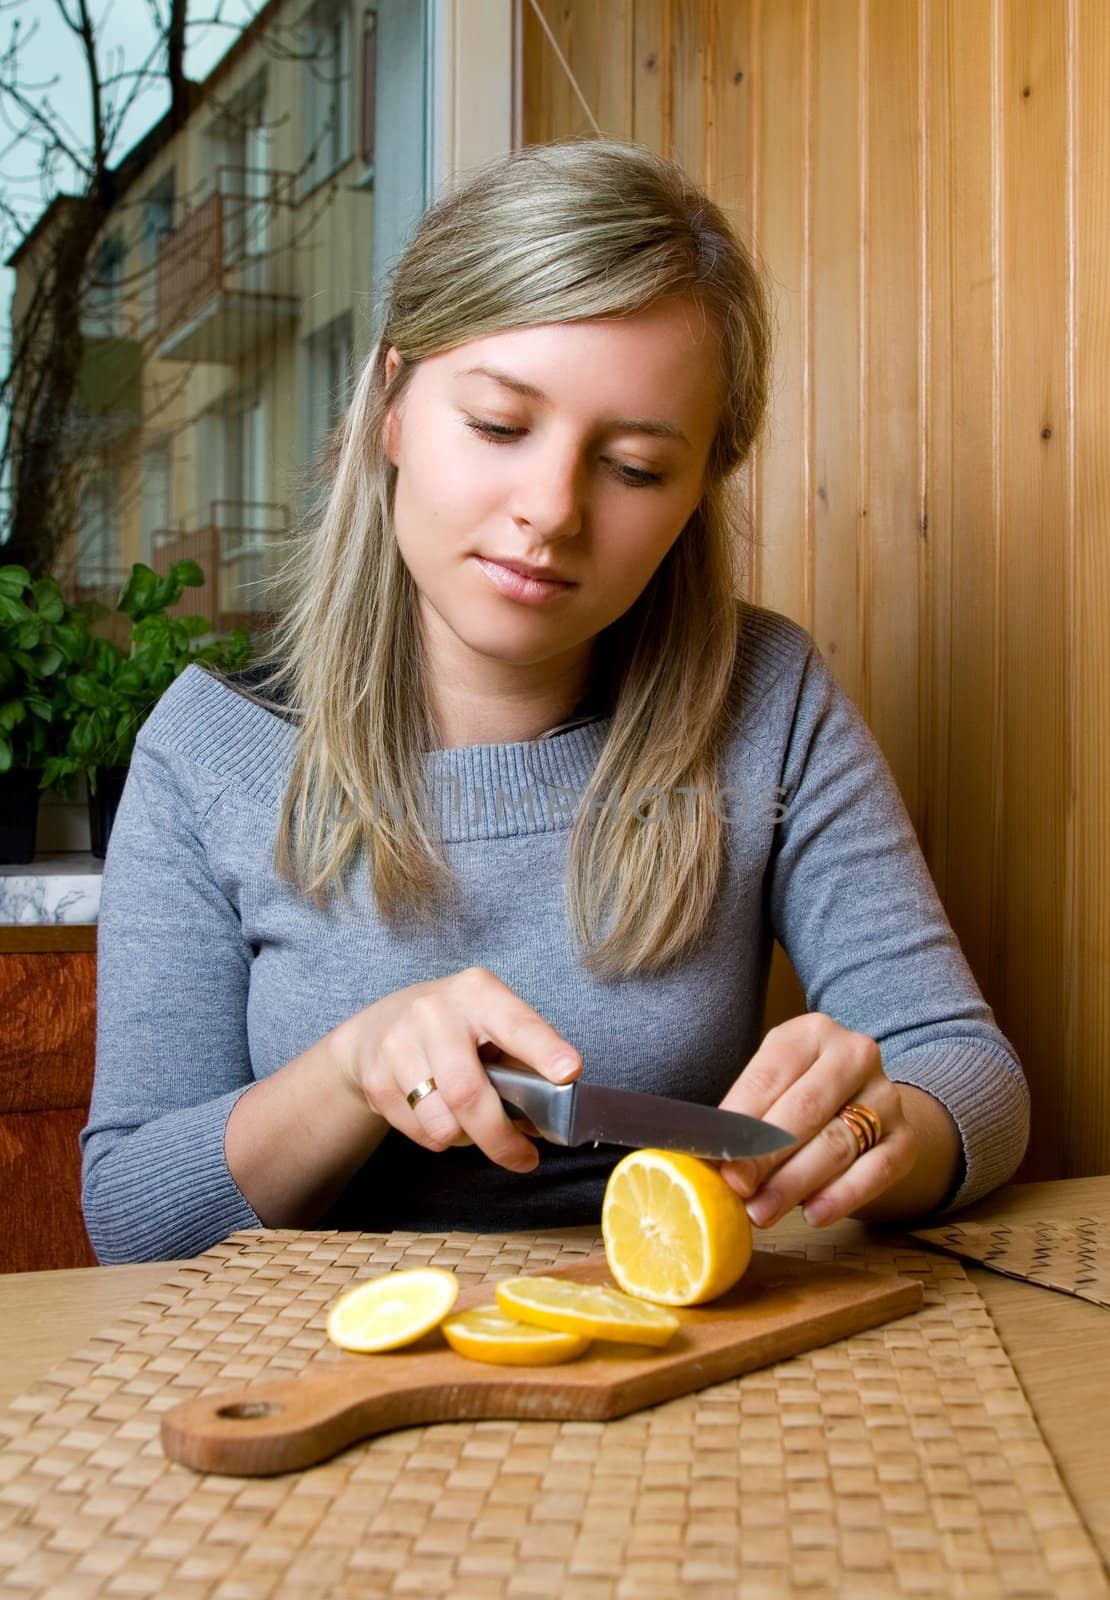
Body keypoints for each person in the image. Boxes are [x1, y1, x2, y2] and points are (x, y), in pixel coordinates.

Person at [80, 138, 1029, 1265]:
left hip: (677, 1363)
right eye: (497, 425)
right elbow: (132, 1213)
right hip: (312, 1378)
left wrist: (883, 1124)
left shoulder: (766, 698)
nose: (551, 512)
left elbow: (968, 1072)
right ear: (392, 403)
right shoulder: (207, 750)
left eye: (633, 467)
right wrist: (348, 1071)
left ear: (695, 497)